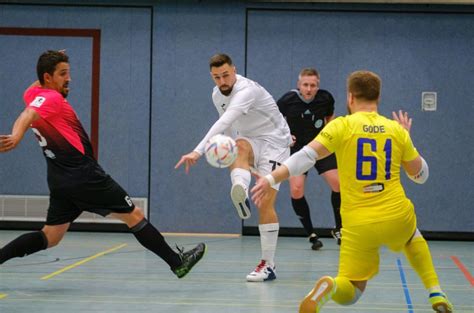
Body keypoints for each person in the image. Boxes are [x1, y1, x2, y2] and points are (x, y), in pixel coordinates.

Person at [252, 70, 453, 312]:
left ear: (350, 97)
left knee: (353, 291)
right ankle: (435, 292)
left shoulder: (342, 126)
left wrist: (271, 177)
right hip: (396, 214)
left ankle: (332, 286)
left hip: (357, 223)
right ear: (378, 97)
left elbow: (304, 157)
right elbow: (421, 176)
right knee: (413, 236)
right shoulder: (396, 130)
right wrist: (408, 142)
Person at [0, 50, 206, 279]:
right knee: (134, 215)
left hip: (60, 179)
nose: (69, 78)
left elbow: (33, 98)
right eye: (62, 74)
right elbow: (27, 115)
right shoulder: (52, 99)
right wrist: (16, 136)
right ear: (48, 78)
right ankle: (177, 262)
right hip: (84, 176)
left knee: (50, 236)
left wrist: (49, 62)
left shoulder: (32, 92)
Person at [175, 53, 292, 282]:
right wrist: (235, 156)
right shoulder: (217, 94)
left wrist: (197, 151)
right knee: (236, 145)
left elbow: (224, 122)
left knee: (265, 202)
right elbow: (228, 131)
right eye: (216, 77)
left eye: (226, 75)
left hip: (276, 141)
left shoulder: (246, 90)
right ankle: (240, 189)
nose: (222, 82)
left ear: (234, 70)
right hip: (249, 138)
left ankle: (268, 265)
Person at [277, 68, 342, 250]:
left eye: (312, 85)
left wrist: (330, 135)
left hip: (320, 147)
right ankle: (312, 235)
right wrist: (285, 135)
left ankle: (340, 228)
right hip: (297, 151)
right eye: (305, 85)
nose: (309, 89)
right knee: (296, 190)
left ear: (317, 86)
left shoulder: (325, 98)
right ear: (299, 85)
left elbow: (330, 118)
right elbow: (274, 120)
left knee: (338, 184)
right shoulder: (287, 100)